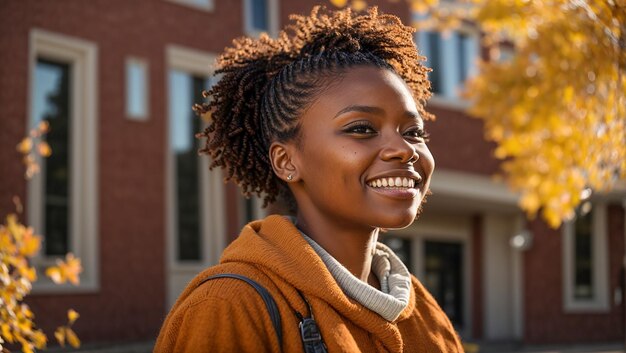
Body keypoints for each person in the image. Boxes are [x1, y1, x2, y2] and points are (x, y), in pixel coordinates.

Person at [154, 6, 463, 353]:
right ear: (287, 161)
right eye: (361, 128)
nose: (403, 149)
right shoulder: (228, 305)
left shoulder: (427, 315)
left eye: (413, 131)